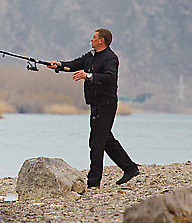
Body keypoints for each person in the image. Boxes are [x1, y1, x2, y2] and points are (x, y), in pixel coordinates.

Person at [48, 29, 139, 188]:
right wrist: (60, 65)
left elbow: (110, 78)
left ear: (101, 41)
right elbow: (75, 64)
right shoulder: (90, 56)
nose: (91, 39)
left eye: (94, 37)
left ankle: (94, 182)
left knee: (96, 142)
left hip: (107, 104)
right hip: (95, 103)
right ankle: (130, 168)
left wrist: (88, 76)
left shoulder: (111, 58)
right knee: (106, 139)